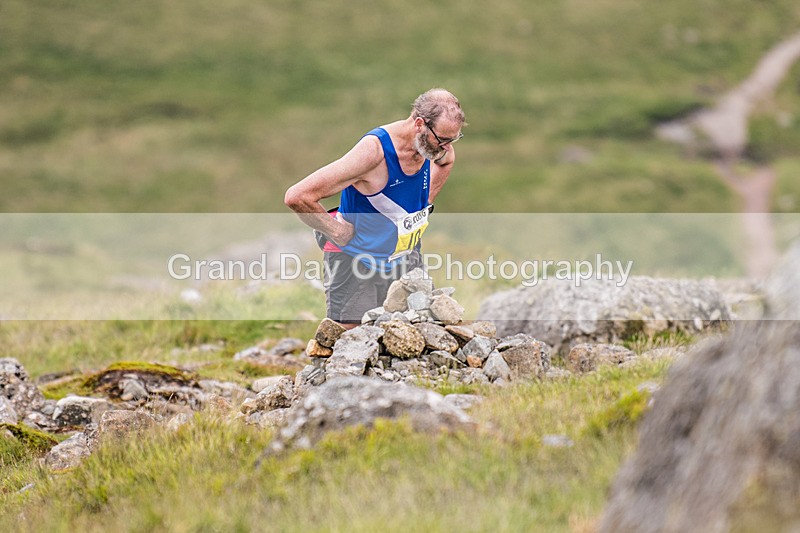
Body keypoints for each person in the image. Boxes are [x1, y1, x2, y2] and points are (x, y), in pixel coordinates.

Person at [284, 88, 466, 328]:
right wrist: (338, 232)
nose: (445, 147)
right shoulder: (374, 152)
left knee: (418, 332)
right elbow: (298, 196)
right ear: (420, 123)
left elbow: (446, 161)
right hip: (357, 261)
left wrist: (422, 205)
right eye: (442, 140)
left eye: (453, 140)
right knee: (349, 340)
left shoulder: (432, 147)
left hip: (405, 256)